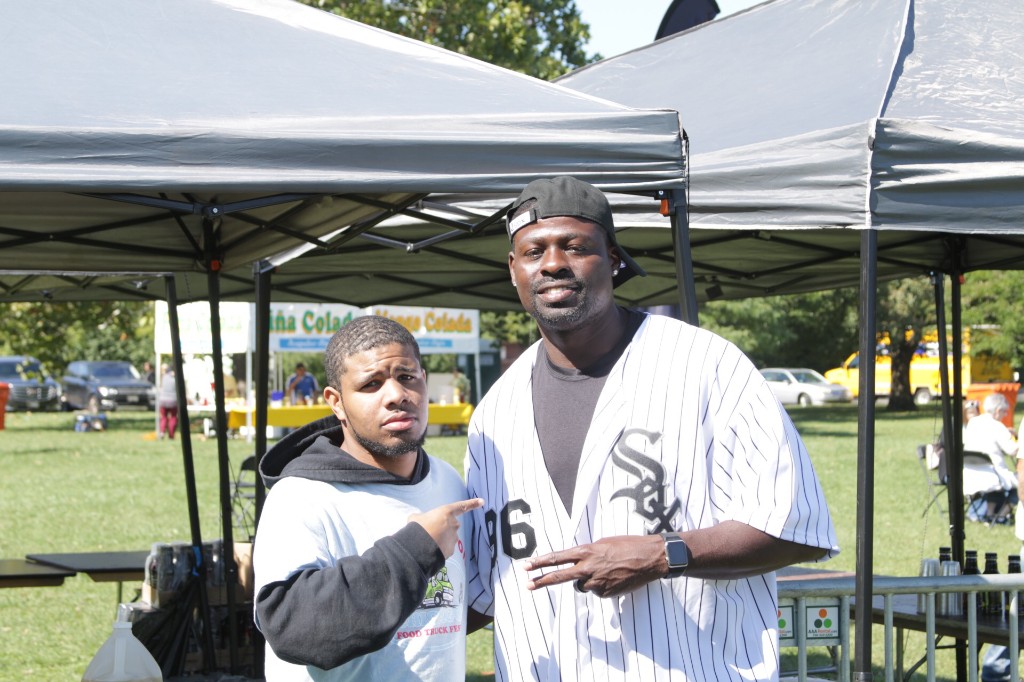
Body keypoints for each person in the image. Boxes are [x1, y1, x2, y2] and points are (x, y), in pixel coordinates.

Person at [464, 176, 839, 681]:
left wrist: (665, 554)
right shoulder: (494, 411)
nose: (553, 263)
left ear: (614, 259)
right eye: (534, 251)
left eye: (575, 246)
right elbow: (485, 588)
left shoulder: (705, 365)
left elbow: (797, 529)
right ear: (514, 270)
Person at [253, 315, 483, 681]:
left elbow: (449, 612)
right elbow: (291, 629)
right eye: (371, 384)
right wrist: (414, 550)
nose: (396, 396)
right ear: (337, 401)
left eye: (406, 377)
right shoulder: (301, 497)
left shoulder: (448, 481)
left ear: (423, 380)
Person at [963, 392, 1018, 524]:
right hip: (993, 476)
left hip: (971, 473)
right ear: (998, 410)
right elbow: (1012, 450)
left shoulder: (973, 422)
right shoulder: (997, 426)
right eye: (1005, 412)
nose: (1005, 415)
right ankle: (1002, 514)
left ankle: (989, 513)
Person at [157, 367, 178, 440]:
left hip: (163, 400)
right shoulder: (176, 378)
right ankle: (171, 435)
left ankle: (162, 432)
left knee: (163, 417)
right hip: (173, 400)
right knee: (173, 417)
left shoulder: (163, 378)